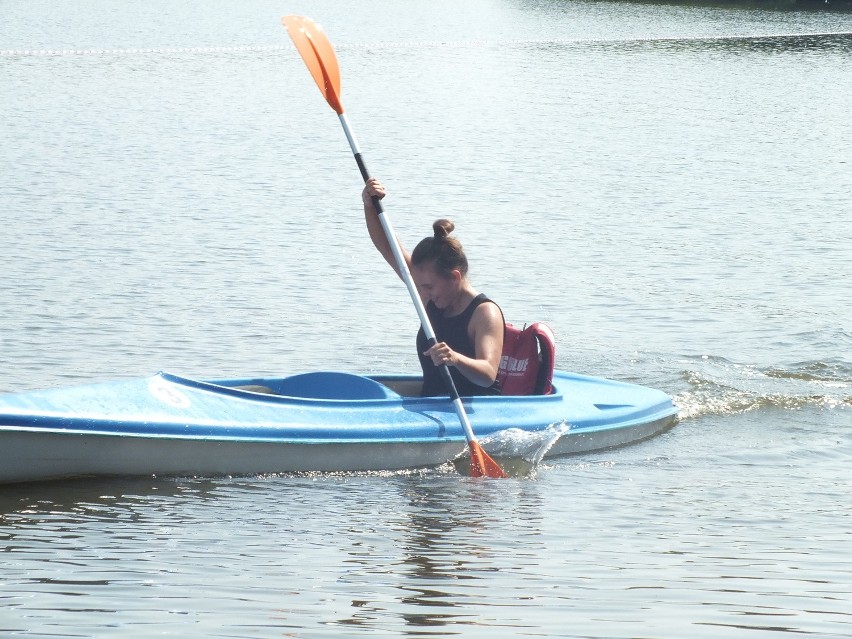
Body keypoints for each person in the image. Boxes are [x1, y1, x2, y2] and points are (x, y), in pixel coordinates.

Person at [362, 178, 504, 397]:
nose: (423, 293)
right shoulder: (431, 295)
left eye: (429, 286)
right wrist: (369, 206)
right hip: (430, 407)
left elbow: (487, 374)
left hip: (477, 410)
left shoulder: (485, 313)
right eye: (421, 286)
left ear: (455, 277)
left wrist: (455, 359)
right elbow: (388, 248)